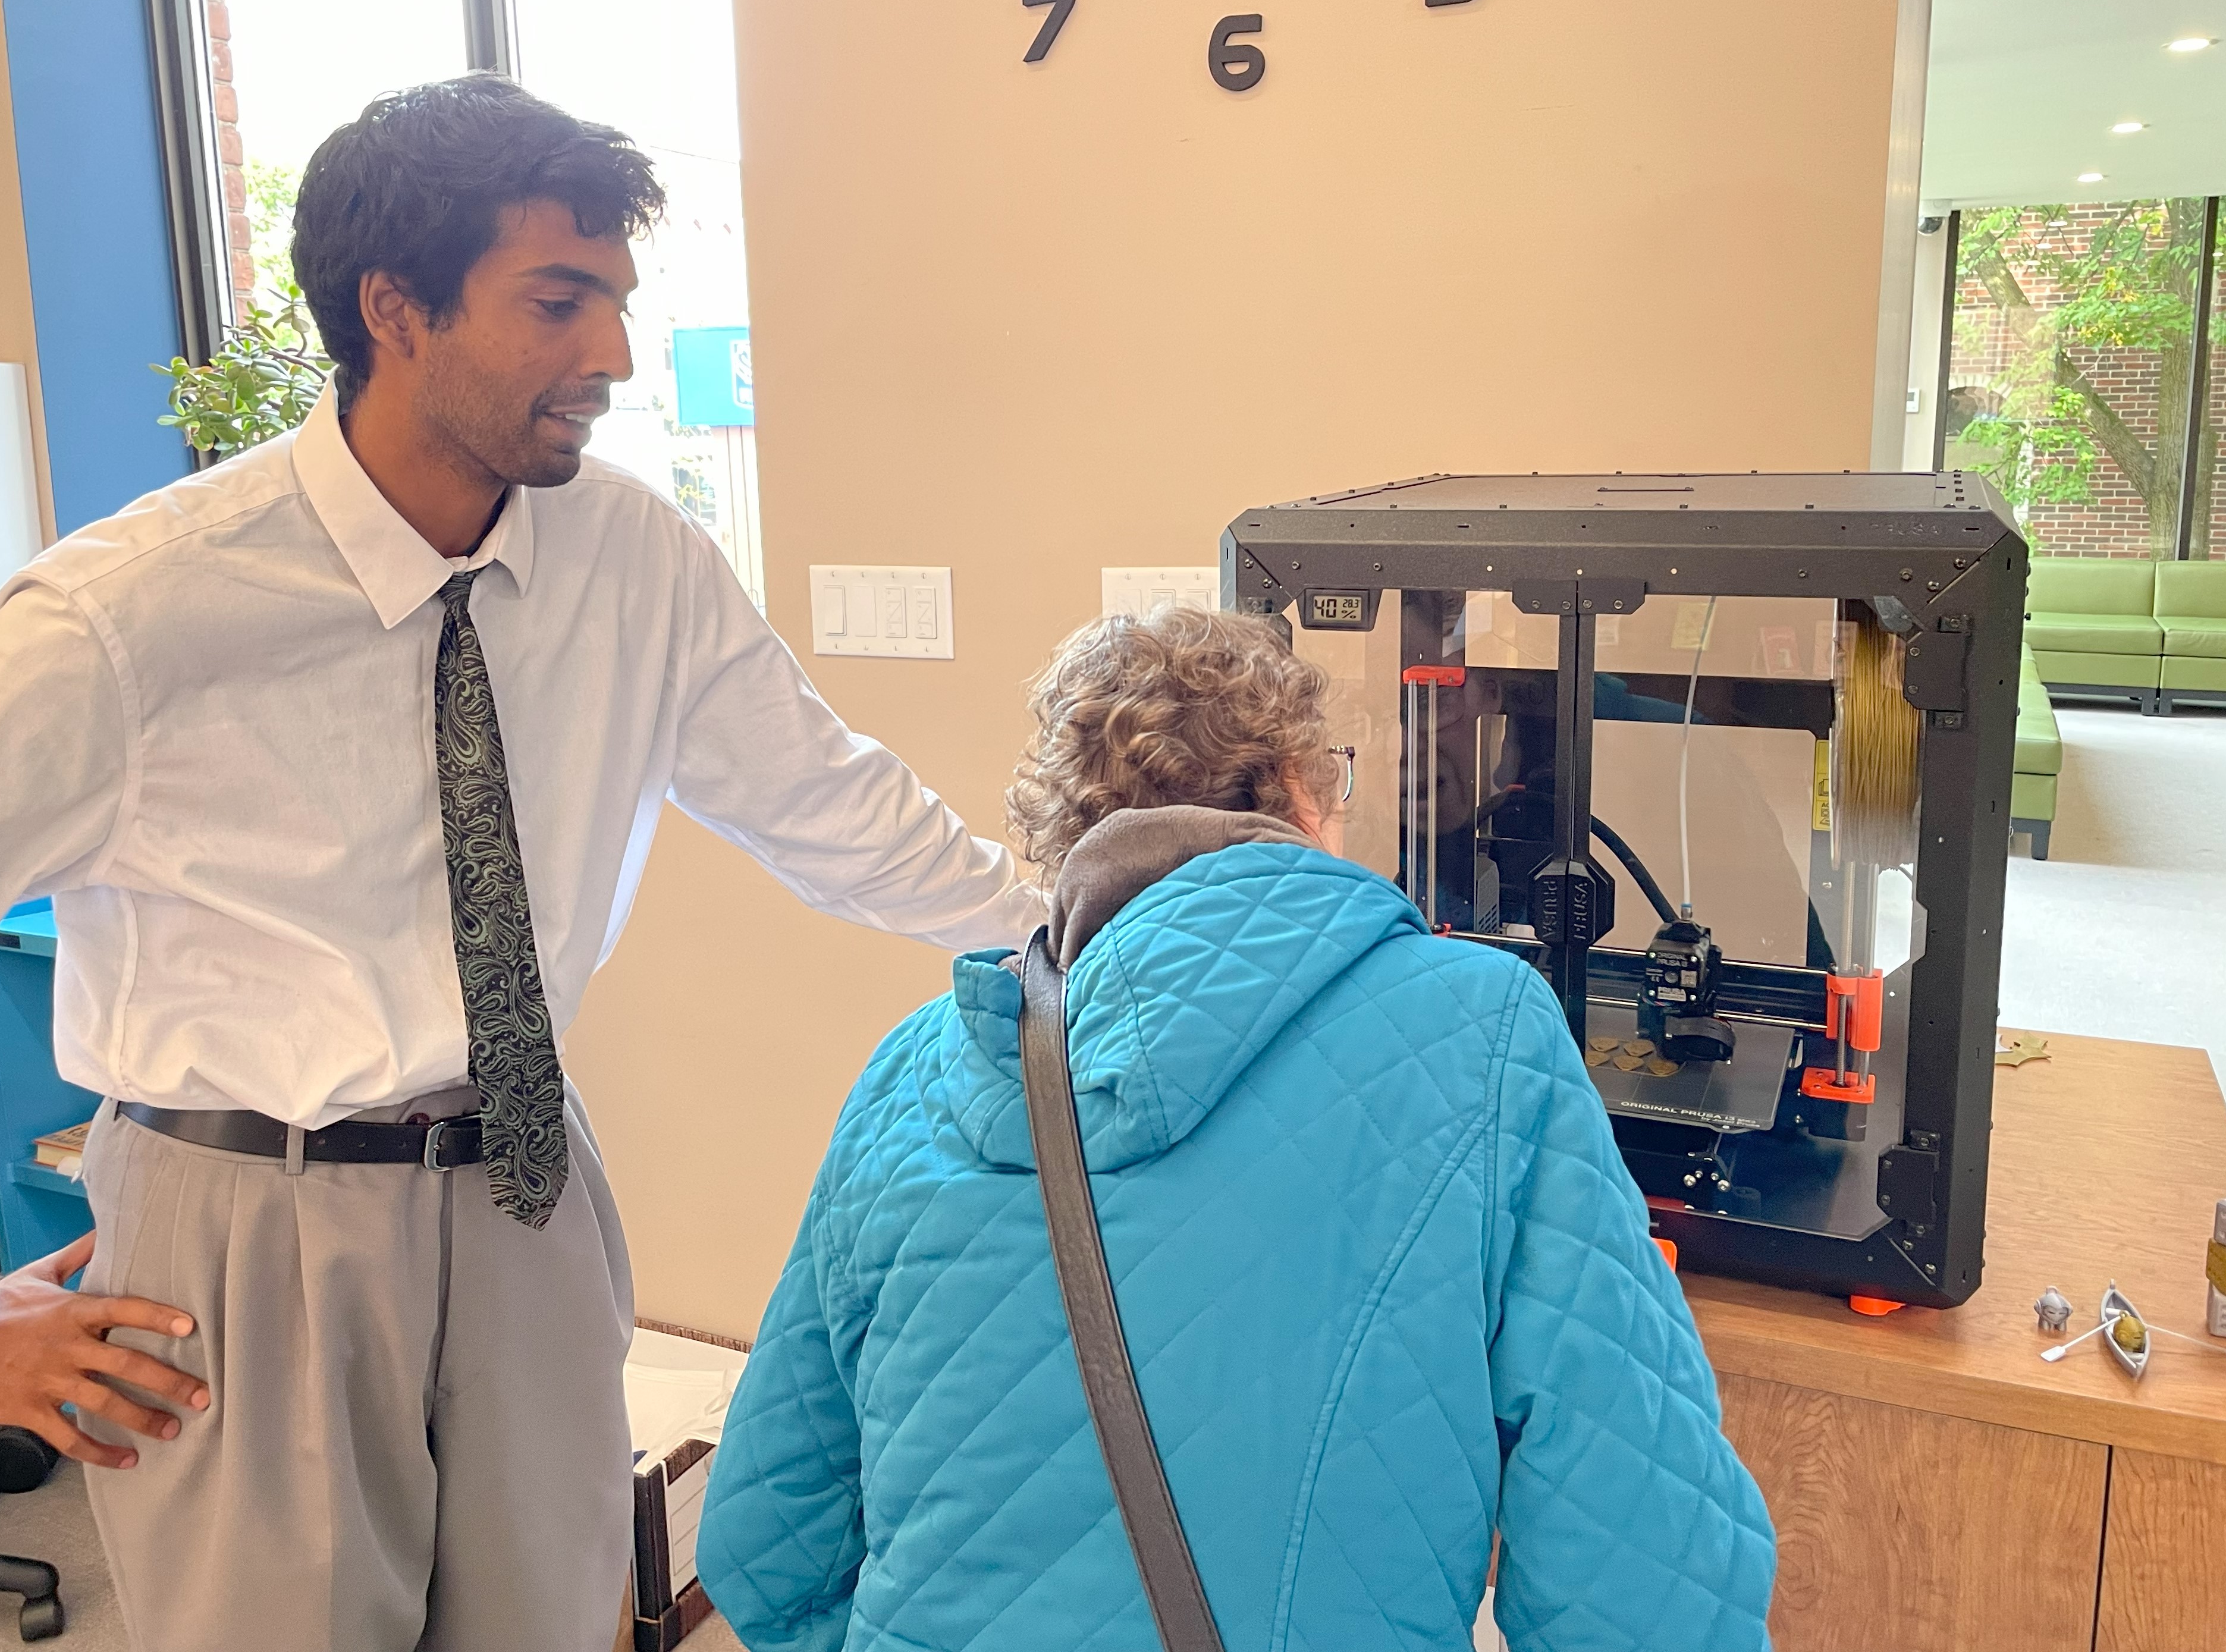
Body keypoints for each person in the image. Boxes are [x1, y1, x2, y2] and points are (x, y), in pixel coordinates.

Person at [0, 74, 1038, 1651]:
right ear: (397, 307)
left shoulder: (633, 559)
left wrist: (1099, 929)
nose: (614, 358)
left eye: (616, 303)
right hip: (248, 1232)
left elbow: (843, 813)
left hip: (530, 1188)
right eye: (560, 302)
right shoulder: (131, 616)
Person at [696, 605, 1775, 1651]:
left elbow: (762, 1546)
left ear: (1067, 829)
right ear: (1303, 790)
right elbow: (1643, 1571)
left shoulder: (914, 1067)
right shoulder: (1485, 1029)